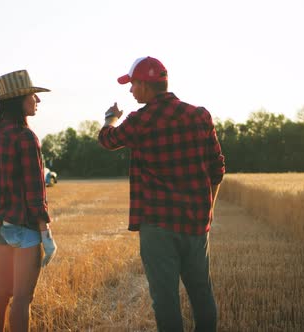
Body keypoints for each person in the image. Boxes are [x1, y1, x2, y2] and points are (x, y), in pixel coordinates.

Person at [98, 57, 225, 332]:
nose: (130, 91)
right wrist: (209, 209)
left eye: (132, 85)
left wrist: (110, 118)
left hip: (157, 225)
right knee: (202, 295)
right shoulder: (200, 115)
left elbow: (107, 140)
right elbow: (218, 170)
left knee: (165, 301)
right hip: (195, 224)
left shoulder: (140, 120)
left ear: (145, 85)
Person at [0, 69, 57, 332]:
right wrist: (46, 233)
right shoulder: (25, 136)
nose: (38, 100)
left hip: (0, 226)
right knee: (23, 299)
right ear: (19, 100)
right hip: (24, 228)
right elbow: (35, 191)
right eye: (33, 95)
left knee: (2, 294)